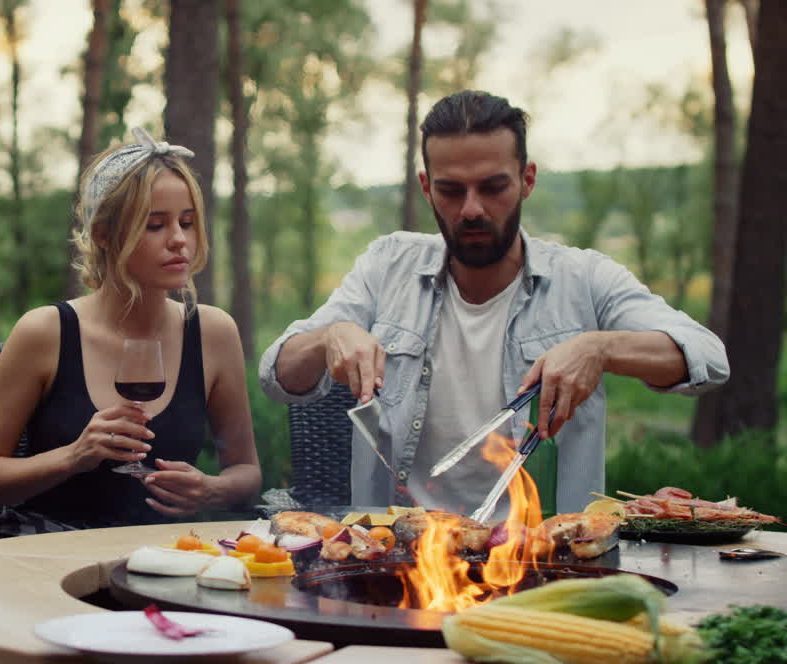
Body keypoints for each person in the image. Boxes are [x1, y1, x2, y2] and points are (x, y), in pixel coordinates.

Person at [259, 90, 728, 518]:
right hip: (396, 560)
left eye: (492, 187)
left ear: (527, 180)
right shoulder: (387, 266)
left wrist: (599, 349)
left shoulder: (583, 278)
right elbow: (277, 376)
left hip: (543, 563)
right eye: (450, 190)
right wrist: (329, 336)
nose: (471, 210)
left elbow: (708, 357)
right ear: (426, 187)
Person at [0, 127, 261, 530]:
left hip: (166, 559)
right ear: (102, 233)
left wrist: (211, 490)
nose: (179, 241)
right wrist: (74, 456)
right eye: (155, 225)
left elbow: (246, 471)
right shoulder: (45, 333)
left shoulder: (213, 332)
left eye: (187, 222)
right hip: (50, 560)